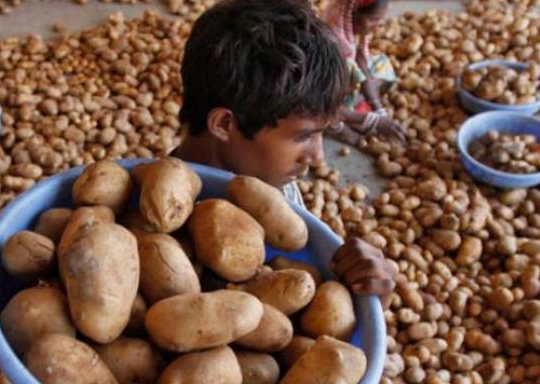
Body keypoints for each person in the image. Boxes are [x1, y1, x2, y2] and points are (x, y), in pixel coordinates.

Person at [174, 0, 395, 298]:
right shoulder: (160, 222)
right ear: (225, 124)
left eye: (323, 132)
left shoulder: (273, 184)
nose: (318, 158)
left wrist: (361, 290)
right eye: (304, 136)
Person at [323, 0, 406, 146]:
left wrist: (377, 107)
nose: (377, 25)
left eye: (380, 19)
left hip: (343, 82)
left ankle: (353, 111)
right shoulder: (332, 40)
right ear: (353, 13)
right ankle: (337, 127)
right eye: (373, 19)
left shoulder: (350, 25)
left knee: (382, 64)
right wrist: (373, 120)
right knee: (346, 72)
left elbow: (360, 57)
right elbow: (317, 97)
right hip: (322, 98)